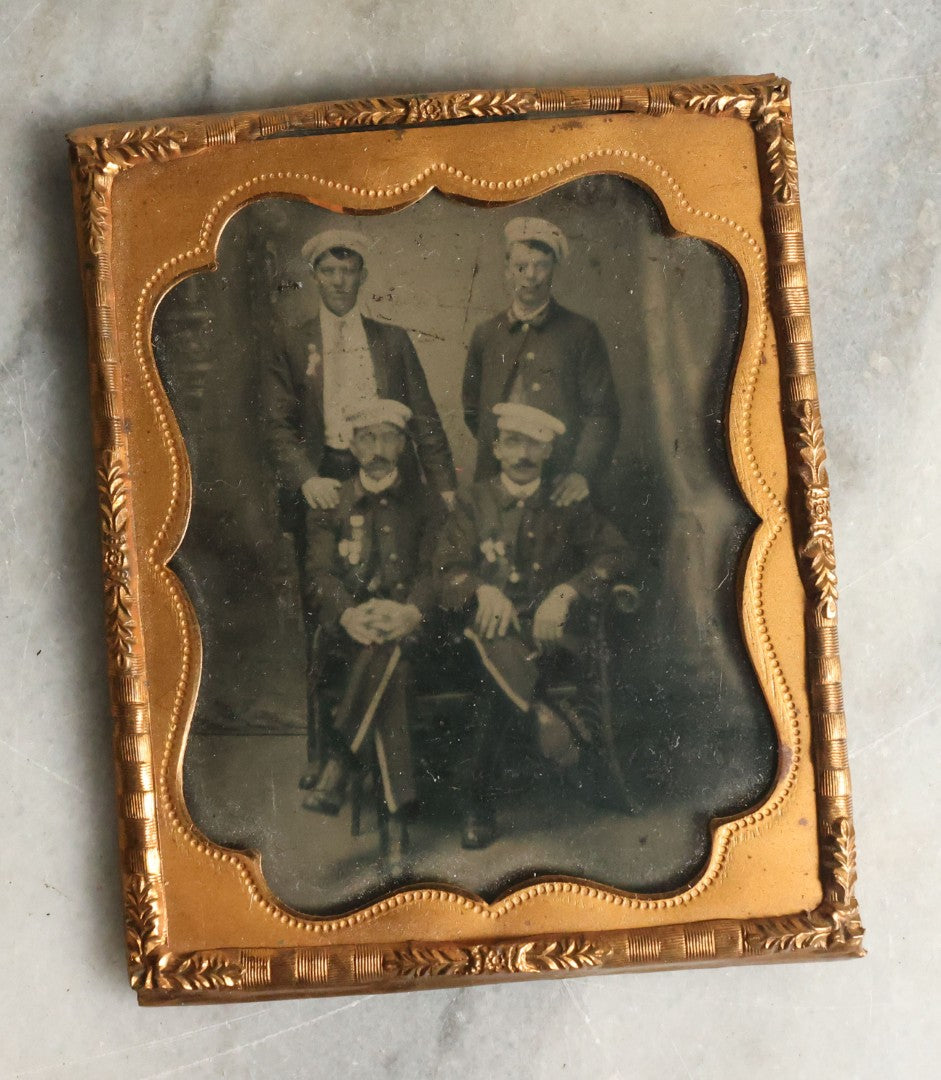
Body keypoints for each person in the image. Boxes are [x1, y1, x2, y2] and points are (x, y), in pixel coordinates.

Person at [435, 402, 632, 849]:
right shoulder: (473, 501)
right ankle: (547, 715)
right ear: (497, 448)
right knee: (493, 642)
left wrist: (566, 592)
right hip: (482, 632)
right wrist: (482, 590)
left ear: (548, 452)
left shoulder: (565, 502)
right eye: (514, 443)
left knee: (499, 672)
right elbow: (445, 567)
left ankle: (478, 803)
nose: (523, 455)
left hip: (549, 636)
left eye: (535, 445)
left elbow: (618, 554)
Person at [301, 399, 444, 874]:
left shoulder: (427, 503)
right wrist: (346, 615)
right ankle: (394, 823)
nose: (377, 448)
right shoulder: (331, 503)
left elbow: (435, 571)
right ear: (350, 443)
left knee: (391, 660)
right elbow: (320, 575)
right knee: (389, 670)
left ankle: (339, 764)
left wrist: (412, 611)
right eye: (367, 438)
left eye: (388, 437)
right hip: (349, 639)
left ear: (403, 444)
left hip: (412, 632)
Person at [461, 216, 620, 506]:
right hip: (495, 482)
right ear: (508, 270)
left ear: (553, 270)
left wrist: (581, 472)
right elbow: (473, 411)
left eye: (541, 266)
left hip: (559, 484)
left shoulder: (581, 333)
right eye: (521, 266)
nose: (531, 276)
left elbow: (603, 413)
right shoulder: (486, 334)